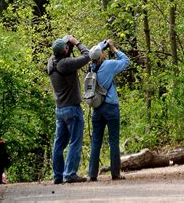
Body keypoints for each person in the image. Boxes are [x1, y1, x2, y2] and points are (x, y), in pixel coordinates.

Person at [47, 34, 90, 184]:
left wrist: (67, 44)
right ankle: (70, 173)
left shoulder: (51, 63)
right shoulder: (66, 64)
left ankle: (57, 176)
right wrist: (76, 42)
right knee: (75, 141)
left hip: (60, 109)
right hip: (72, 108)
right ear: (65, 51)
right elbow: (87, 55)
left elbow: (63, 54)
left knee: (59, 144)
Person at [87, 39, 130, 181]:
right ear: (103, 55)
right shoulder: (109, 65)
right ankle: (115, 174)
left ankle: (92, 174)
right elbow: (126, 61)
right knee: (113, 141)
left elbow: (95, 51)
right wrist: (113, 48)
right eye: (104, 52)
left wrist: (103, 43)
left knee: (96, 142)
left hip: (97, 109)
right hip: (111, 107)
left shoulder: (91, 67)